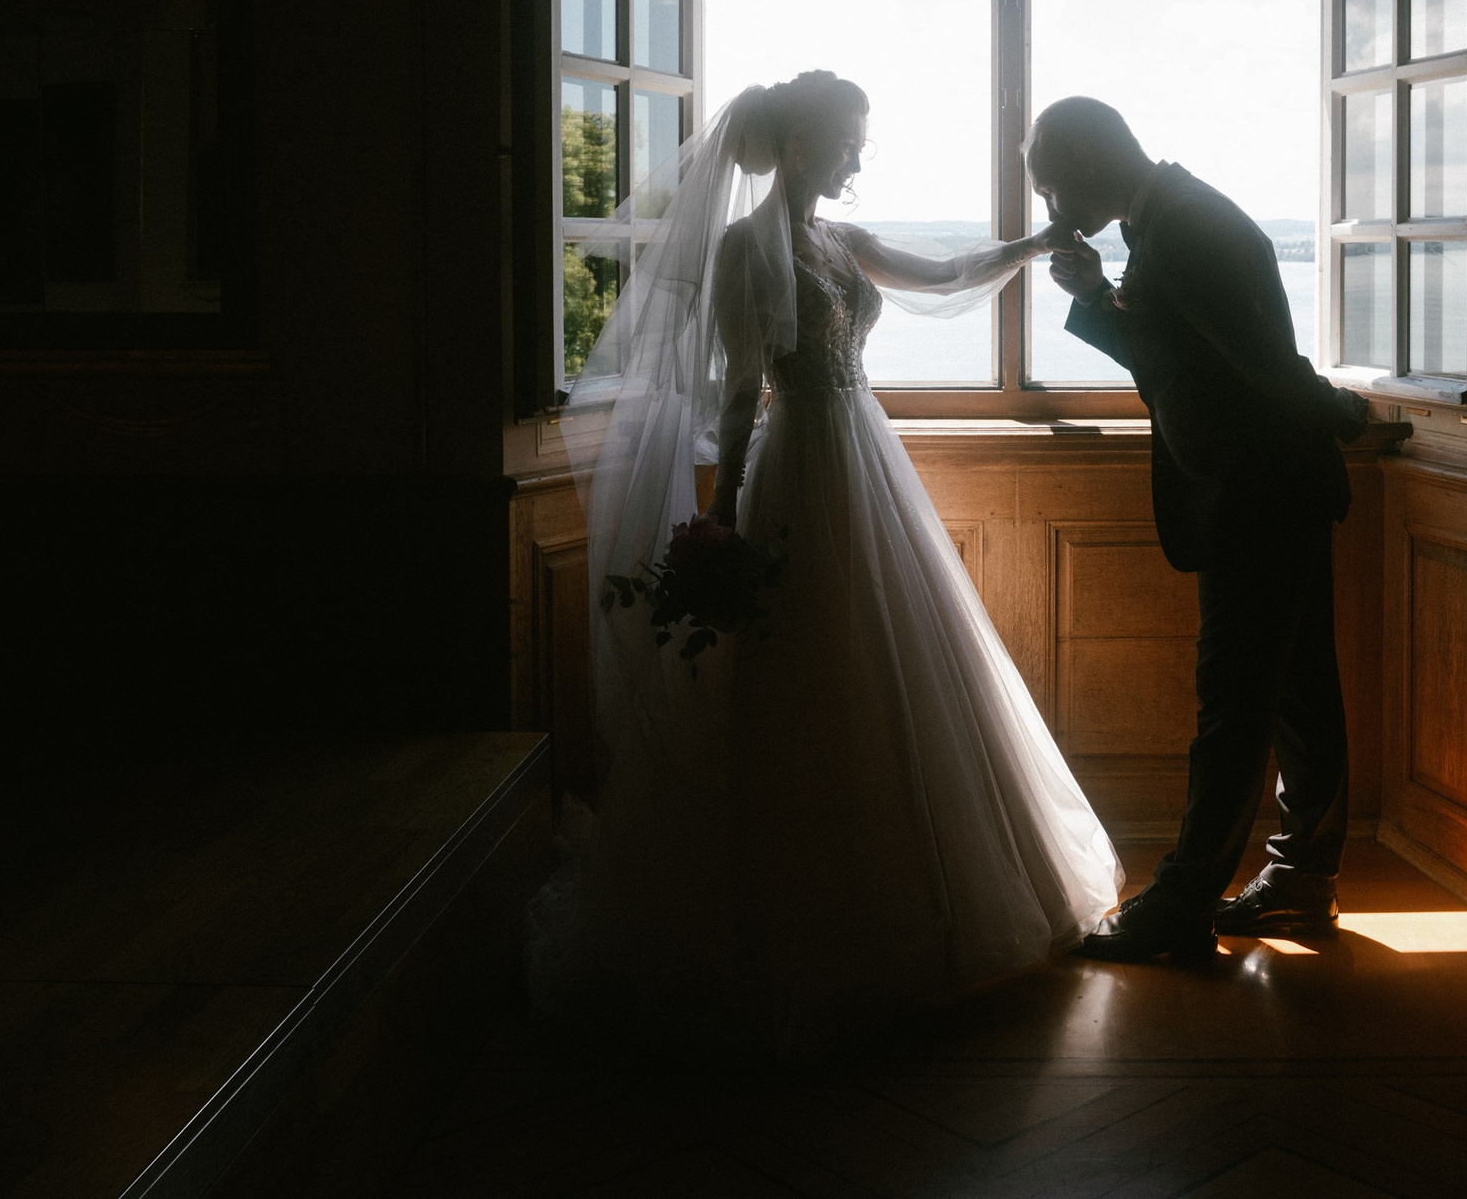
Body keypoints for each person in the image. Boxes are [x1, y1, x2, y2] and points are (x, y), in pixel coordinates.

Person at [527, 72, 1123, 1057]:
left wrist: (1031, 244)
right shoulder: (742, 249)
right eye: (849, 140)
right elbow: (732, 398)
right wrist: (718, 527)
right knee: (806, 675)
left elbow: (937, 275)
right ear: (800, 145)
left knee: (891, 668)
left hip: (862, 456)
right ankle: (809, 925)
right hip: (802, 464)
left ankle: (915, 901)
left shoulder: (839, 242)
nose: (859, 157)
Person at [1026, 96, 1370, 962]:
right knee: (1295, 692)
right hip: (1262, 490)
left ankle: (1183, 901)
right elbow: (1174, 357)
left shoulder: (1183, 229)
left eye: (1051, 186)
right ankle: (1300, 879)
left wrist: (1345, 413)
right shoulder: (1170, 221)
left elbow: (1263, 363)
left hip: (1257, 494)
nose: (1049, 209)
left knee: (1236, 699)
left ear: (1090, 162)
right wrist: (1097, 294)